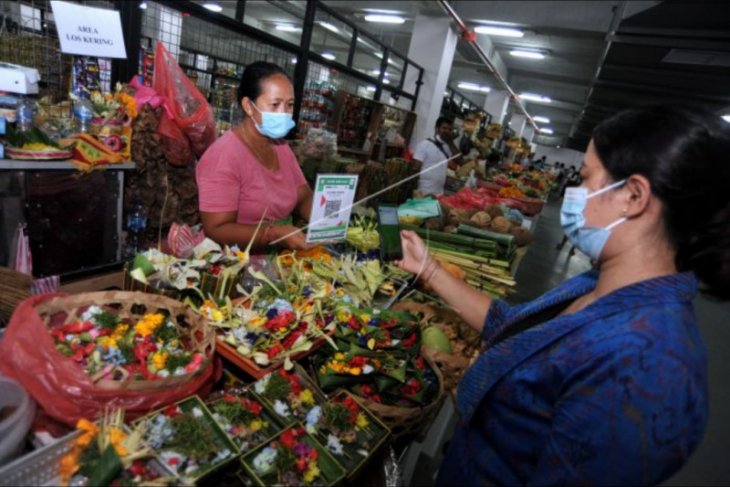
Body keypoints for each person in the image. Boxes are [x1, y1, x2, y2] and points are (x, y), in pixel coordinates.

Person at [396, 105, 730, 485]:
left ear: (633, 197)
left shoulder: (647, 368)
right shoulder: (600, 283)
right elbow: (514, 328)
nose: (573, 192)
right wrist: (430, 270)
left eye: (586, 179)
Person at [196, 61, 313, 250]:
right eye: (275, 105)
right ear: (248, 106)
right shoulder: (223, 156)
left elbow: (303, 195)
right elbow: (217, 230)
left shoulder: (280, 147)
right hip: (235, 264)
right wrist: (272, 234)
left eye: (289, 105)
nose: (284, 113)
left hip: (280, 260)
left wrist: (326, 217)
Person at [412, 116, 461, 195]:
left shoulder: (448, 146)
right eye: (444, 128)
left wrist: (451, 142)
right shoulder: (424, 144)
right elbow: (415, 169)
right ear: (437, 129)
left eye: (449, 130)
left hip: (439, 193)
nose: (447, 131)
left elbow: (460, 160)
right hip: (423, 191)